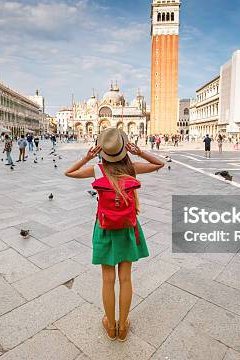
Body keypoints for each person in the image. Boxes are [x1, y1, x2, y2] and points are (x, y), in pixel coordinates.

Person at [64, 128, 164, 342]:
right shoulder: (132, 168)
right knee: (125, 278)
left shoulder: (98, 170)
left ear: (103, 151)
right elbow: (159, 164)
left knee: (107, 280)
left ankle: (111, 327)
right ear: (123, 149)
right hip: (128, 228)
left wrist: (86, 157)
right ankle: (123, 327)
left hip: (104, 228)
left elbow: (69, 173)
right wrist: (140, 153)